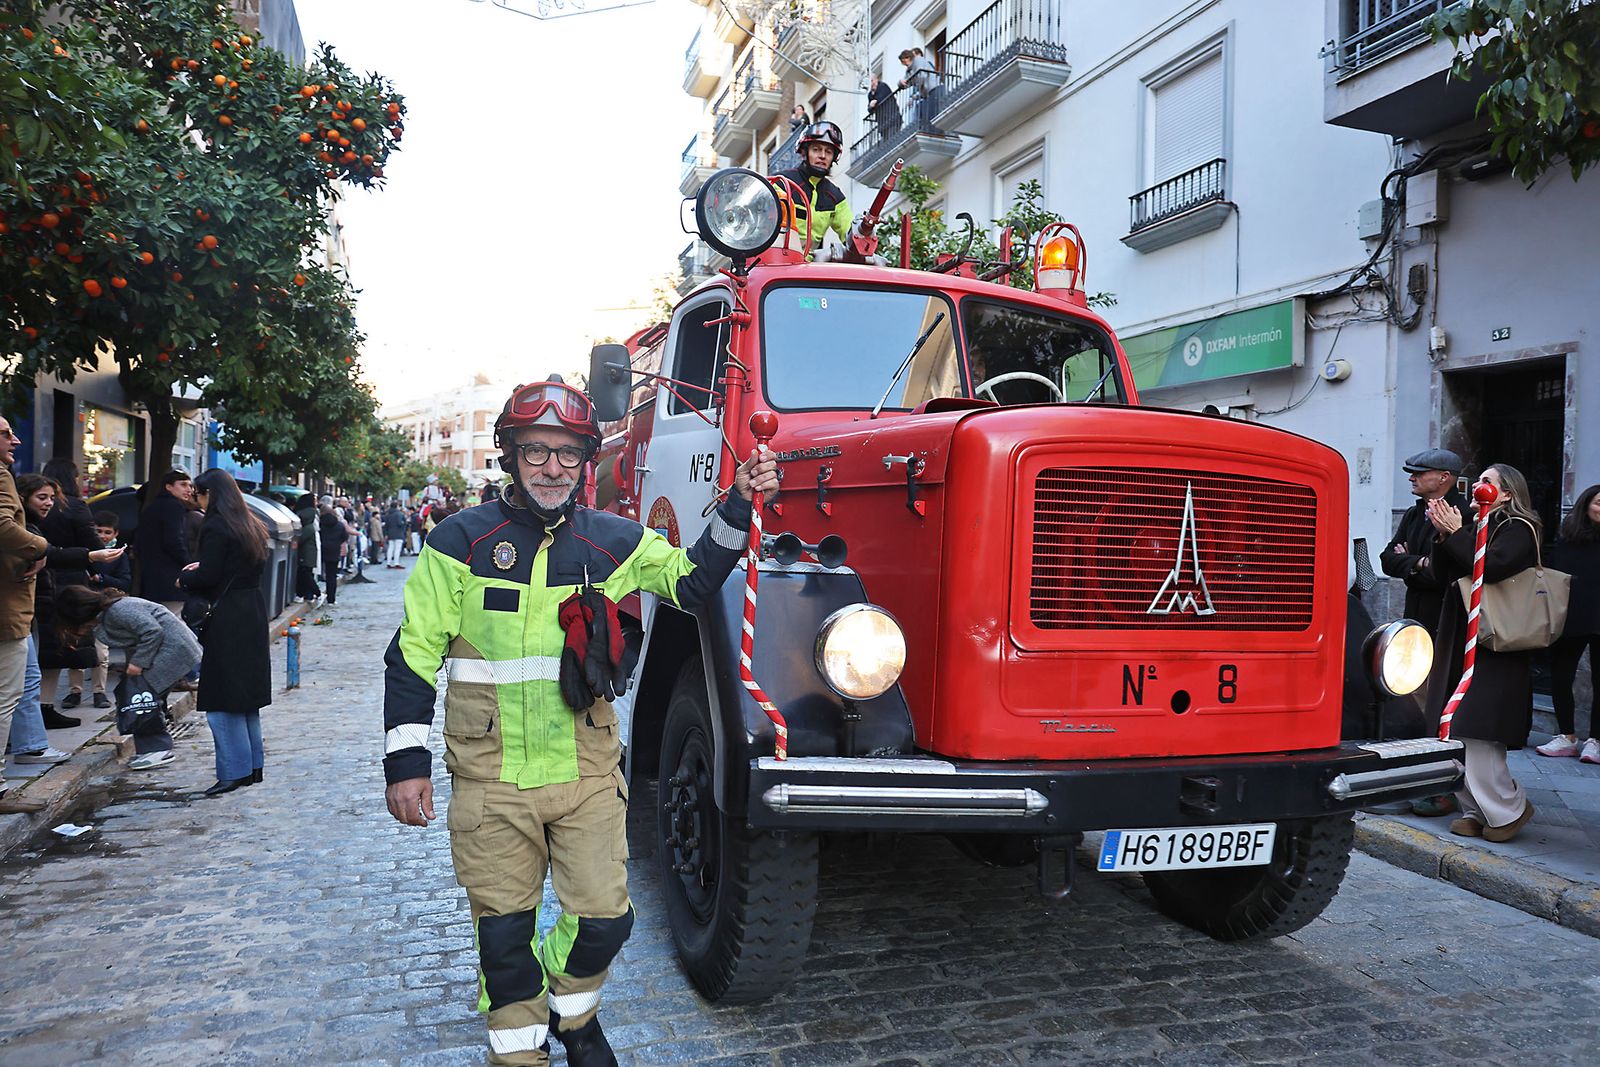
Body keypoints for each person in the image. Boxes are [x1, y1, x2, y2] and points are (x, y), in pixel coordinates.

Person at [382, 380, 779, 1067]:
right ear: (509, 453)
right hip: (491, 781)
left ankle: (571, 1012)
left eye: (568, 453)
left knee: (604, 917)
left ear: (586, 460)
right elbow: (412, 658)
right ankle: (520, 1051)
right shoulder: (458, 542)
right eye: (536, 450)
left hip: (587, 772)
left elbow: (691, 580)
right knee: (504, 944)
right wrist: (406, 765)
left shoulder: (616, 542)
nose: (552, 467)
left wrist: (739, 501)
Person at [1423, 463, 1540, 842]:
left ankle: (1508, 806)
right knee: (1452, 728)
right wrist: (1443, 536)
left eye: (1487, 481)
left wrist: (1457, 534)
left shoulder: (1519, 528)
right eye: (1478, 480)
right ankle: (1474, 809)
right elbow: (1444, 575)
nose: (1477, 486)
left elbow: (1493, 567)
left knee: (1477, 729)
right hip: (1462, 636)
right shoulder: (1476, 526)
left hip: (1495, 642)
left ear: (1506, 493)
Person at [179, 469, 272, 797]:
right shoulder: (250, 523)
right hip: (251, 611)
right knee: (244, 698)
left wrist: (187, 578)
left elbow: (211, 573)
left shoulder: (217, 525)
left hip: (229, 617)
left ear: (210, 495)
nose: (197, 501)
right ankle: (251, 766)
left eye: (199, 495)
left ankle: (233, 770)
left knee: (222, 697)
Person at [15, 474, 125, 729]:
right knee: (38, 664)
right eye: (42, 497)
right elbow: (50, 552)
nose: (49, 503)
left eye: (52, 498)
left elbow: (49, 553)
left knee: (43, 662)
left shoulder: (34, 522)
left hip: (47, 592)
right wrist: (92, 554)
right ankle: (32, 728)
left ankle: (36, 728)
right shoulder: (24, 525)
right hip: (44, 596)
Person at [55, 584, 200, 770]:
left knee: (141, 699)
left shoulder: (118, 610)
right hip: (170, 649)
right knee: (145, 696)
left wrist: (138, 663)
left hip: (173, 650)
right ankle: (155, 744)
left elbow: (152, 631)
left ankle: (157, 749)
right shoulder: (111, 611)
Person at [0, 416, 50, 814]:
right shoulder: (1, 477)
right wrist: (40, 546)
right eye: (4, 434)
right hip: (7, 605)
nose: (15, 440)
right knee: (6, 696)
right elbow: (3, 526)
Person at [1539, 482, 1600, 762]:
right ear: (1586, 504)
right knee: (1562, 674)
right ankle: (1566, 736)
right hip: (1571, 616)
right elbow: (1554, 574)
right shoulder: (1568, 536)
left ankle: (1595, 741)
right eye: (1598, 502)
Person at [1380, 449, 1471, 634]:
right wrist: (1420, 562)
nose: (1411, 478)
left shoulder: (1464, 514)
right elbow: (1387, 560)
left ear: (1444, 477)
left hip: (1446, 617)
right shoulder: (1413, 514)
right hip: (1414, 614)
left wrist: (1407, 563)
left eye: (1419, 473)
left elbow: (1443, 574)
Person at [771, 121, 853, 254]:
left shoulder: (835, 197)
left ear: (834, 158)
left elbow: (851, 234)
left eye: (828, 151)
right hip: (774, 262)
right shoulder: (780, 183)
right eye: (816, 149)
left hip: (809, 269)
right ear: (805, 152)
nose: (822, 155)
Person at [81, 509, 133, 710]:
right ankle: (75, 690)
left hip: (105, 606)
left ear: (115, 534)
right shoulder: (86, 552)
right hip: (83, 603)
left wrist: (101, 579)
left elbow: (125, 582)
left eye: (107, 532)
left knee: (101, 652)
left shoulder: (119, 556)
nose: (102, 536)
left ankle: (98, 691)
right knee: (76, 650)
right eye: (99, 531)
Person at [135, 469, 194, 616]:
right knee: (175, 620)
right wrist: (188, 563)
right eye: (183, 484)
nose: (189, 489)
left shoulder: (152, 507)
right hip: (170, 576)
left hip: (152, 576)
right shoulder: (174, 506)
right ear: (169, 487)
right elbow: (174, 540)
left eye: (190, 486)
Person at [318, 496, 351, 604]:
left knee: (318, 572)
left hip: (322, 549)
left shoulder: (320, 524)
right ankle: (331, 599)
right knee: (331, 576)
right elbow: (344, 537)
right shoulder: (339, 525)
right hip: (334, 551)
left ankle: (316, 594)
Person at [293, 493, 322, 601]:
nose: (316, 503)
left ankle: (310, 593)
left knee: (304, 571)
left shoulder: (307, 518)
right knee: (306, 571)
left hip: (307, 548)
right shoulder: (311, 516)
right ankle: (308, 594)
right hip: (310, 547)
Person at [383, 501, 407, 568]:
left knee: (390, 548)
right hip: (398, 533)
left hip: (390, 533)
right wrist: (404, 524)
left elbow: (386, 525)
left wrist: (386, 533)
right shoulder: (399, 514)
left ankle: (388, 562)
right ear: (397, 506)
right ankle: (396, 563)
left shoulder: (388, 514)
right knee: (397, 549)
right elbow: (400, 523)